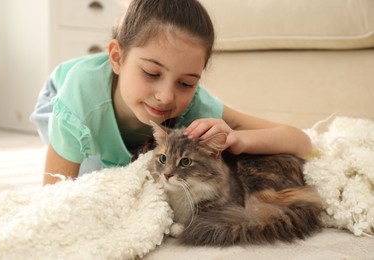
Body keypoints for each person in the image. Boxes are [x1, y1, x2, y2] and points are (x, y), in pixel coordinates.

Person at [30, 0, 312, 185]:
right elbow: (53, 198)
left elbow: (300, 141)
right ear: (117, 58)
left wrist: (237, 139)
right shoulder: (78, 104)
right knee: (96, 179)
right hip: (59, 99)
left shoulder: (195, 105)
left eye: (186, 83)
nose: (166, 96)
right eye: (152, 73)